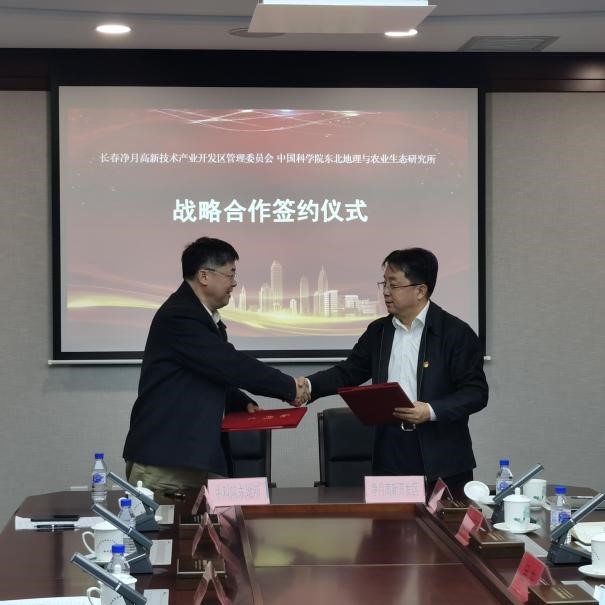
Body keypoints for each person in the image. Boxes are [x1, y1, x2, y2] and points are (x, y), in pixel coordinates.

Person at [123, 236, 308, 494]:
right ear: (204, 276)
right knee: (164, 523)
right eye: (230, 274)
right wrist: (288, 387)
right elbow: (228, 363)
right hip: (166, 460)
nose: (234, 283)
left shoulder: (204, 317)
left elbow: (207, 372)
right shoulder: (180, 315)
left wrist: (240, 401)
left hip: (187, 457)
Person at [300, 247, 488, 495]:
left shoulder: (455, 333)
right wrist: (308, 386)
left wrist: (430, 411)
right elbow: (348, 372)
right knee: (390, 519)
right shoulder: (379, 331)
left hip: (442, 457)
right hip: (390, 450)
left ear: (420, 290)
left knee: (443, 521)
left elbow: (476, 393)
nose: (386, 292)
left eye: (394, 284)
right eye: (384, 283)